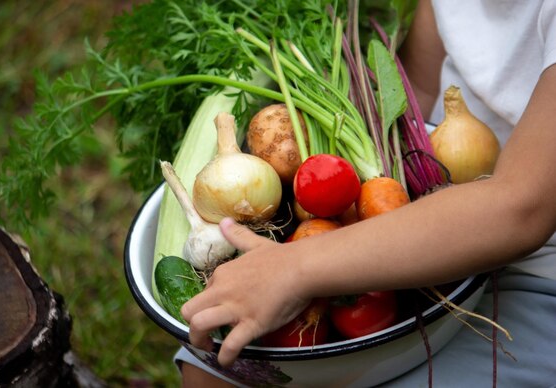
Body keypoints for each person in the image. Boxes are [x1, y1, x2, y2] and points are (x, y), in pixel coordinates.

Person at [175, 0, 556, 386]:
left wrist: (296, 267)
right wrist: (350, 217)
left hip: (535, 274)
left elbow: (522, 207)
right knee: (210, 372)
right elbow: (416, 91)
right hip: (428, 218)